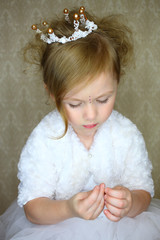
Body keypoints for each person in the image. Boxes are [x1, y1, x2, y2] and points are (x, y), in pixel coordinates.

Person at [0, 6, 160, 240]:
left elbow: (143, 192)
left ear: (117, 83)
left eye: (103, 99)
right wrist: (68, 208)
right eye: (75, 104)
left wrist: (131, 202)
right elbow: (33, 209)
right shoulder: (45, 138)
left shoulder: (126, 133)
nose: (91, 114)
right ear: (53, 94)